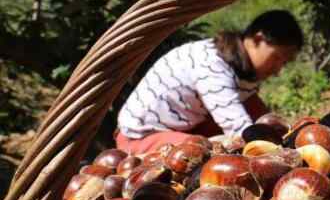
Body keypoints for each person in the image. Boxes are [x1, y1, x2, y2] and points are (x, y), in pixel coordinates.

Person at [115, 10, 303, 154]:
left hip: (185, 125)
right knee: (205, 152)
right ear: (257, 39)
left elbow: (259, 118)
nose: (278, 70)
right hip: (140, 137)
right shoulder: (212, 64)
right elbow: (240, 130)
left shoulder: (242, 68)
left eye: (284, 63)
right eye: (277, 58)